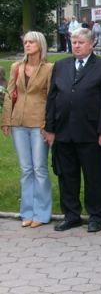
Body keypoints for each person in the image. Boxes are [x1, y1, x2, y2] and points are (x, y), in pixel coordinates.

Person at [44, 28, 101, 233]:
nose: (76, 46)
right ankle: (71, 215)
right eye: (73, 42)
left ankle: (96, 216)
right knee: (67, 176)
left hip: (90, 132)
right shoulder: (61, 65)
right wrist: (49, 128)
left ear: (91, 43)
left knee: (94, 176)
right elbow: (52, 98)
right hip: (63, 131)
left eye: (80, 42)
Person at [1, 32, 54, 228]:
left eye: (31, 42)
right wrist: (6, 120)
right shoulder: (17, 67)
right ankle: (27, 212)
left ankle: (41, 213)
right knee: (26, 169)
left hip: (38, 123)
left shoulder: (49, 68)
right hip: (18, 123)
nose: (27, 45)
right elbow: (9, 95)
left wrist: (48, 125)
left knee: (39, 168)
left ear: (40, 45)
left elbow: (51, 98)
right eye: (25, 42)